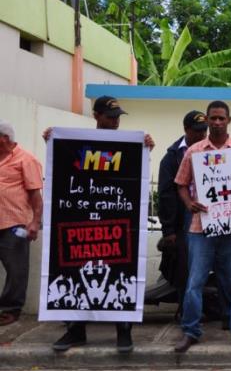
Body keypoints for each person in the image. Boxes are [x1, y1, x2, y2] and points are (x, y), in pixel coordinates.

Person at [48, 96, 154, 353]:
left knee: (121, 271)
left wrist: (146, 148)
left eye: (118, 117)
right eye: (110, 116)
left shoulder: (128, 146)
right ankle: (75, 330)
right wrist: (52, 142)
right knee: (74, 271)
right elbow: (62, 168)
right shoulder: (77, 144)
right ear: (96, 116)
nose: (115, 121)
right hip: (83, 225)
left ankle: (123, 331)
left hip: (117, 225)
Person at [173, 100, 231, 353]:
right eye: (213, 118)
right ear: (207, 120)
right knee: (194, 283)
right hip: (200, 229)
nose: (217, 122)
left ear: (229, 120)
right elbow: (180, 183)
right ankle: (190, 331)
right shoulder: (194, 151)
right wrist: (189, 203)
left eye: (222, 118)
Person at [157, 110, 208, 315]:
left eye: (204, 130)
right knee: (185, 267)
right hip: (184, 218)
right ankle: (187, 312)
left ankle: (225, 314)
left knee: (219, 262)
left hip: (210, 215)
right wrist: (168, 229)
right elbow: (166, 195)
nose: (202, 135)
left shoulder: (213, 150)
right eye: (197, 131)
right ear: (186, 130)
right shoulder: (171, 158)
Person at [0, 121, 42, 326]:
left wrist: (35, 222)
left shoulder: (26, 159)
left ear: (4, 138)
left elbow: (35, 194)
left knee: (16, 269)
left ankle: (10, 309)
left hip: (14, 224)